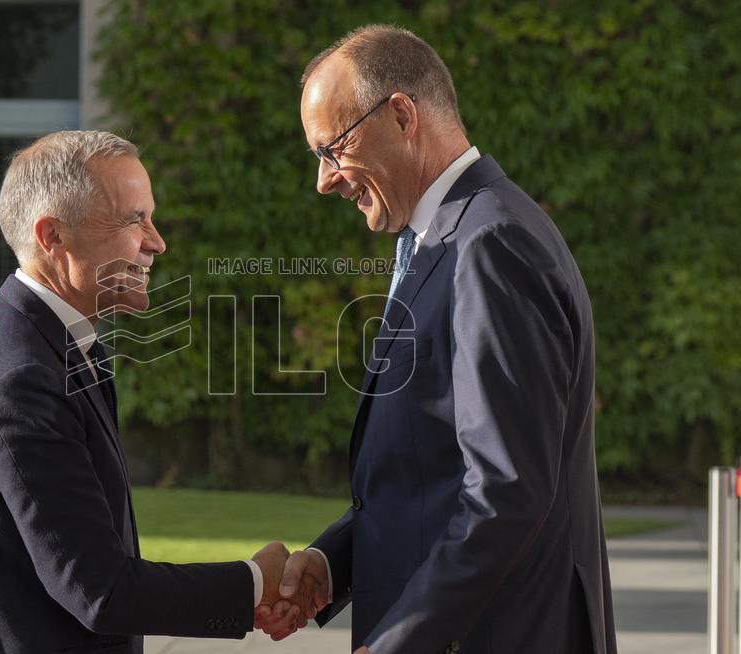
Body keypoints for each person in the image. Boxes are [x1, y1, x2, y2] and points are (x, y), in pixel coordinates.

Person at [255, 25, 617, 654]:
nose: (324, 180)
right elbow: (431, 474)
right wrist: (333, 561)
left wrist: (404, 637)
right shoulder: (440, 238)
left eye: (331, 149)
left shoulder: (490, 243)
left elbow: (504, 490)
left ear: (401, 115)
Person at [0, 130, 312, 653]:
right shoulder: (23, 375)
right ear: (52, 236)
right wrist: (253, 583)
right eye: (133, 220)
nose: (156, 241)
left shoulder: (34, 343)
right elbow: (99, 590)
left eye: (150, 218)